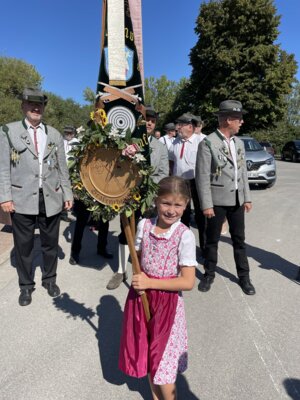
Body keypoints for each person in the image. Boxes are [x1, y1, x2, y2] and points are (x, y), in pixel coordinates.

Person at [119, 176, 196, 400]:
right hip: (141, 297)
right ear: (156, 201)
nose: (171, 210)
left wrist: (150, 282)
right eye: (166, 203)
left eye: (177, 205)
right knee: (150, 356)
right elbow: (138, 259)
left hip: (167, 305)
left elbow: (188, 282)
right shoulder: (145, 225)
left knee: (163, 363)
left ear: (186, 204)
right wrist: (138, 269)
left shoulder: (185, 236)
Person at [0, 88, 73, 306]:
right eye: (31, 104)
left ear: (43, 108)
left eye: (39, 104)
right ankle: (26, 286)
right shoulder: (8, 131)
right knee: (24, 245)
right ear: (23, 106)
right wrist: (5, 197)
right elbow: (3, 168)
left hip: (50, 197)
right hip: (21, 197)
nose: (35, 108)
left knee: (50, 243)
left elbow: (63, 168)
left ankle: (50, 280)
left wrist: (67, 194)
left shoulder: (54, 134)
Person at [195, 100, 255, 295]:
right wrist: (206, 205)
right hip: (216, 202)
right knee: (212, 240)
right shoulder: (208, 143)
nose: (242, 122)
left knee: (239, 240)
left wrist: (246, 197)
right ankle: (209, 274)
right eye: (239, 119)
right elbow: (202, 176)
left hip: (237, 200)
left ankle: (244, 277)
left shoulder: (239, 142)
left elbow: (243, 171)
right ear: (229, 120)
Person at [106, 106, 169, 290]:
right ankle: (120, 271)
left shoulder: (160, 147)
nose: (149, 123)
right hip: (127, 195)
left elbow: (164, 173)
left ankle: (145, 270)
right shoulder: (126, 142)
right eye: (146, 119)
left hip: (149, 196)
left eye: (152, 120)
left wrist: (148, 184)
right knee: (126, 234)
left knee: (148, 234)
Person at [169, 112, 207, 253]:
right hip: (180, 183)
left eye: (180, 125)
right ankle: (184, 246)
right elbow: (171, 162)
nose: (177, 128)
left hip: (196, 183)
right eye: (177, 125)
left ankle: (204, 248)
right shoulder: (175, 142)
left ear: (190, 127)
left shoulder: (202, 141)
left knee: (200, 215)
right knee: (182, 214)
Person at [61, 125, 78, 222]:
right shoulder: (61, 141)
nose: (68, 135)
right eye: (66, 133)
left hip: (73, 171)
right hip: (62, 170)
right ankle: (63, 213)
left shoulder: (76, 142)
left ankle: (73, 209)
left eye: (70, 133)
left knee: (73, 191)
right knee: (63, 192)